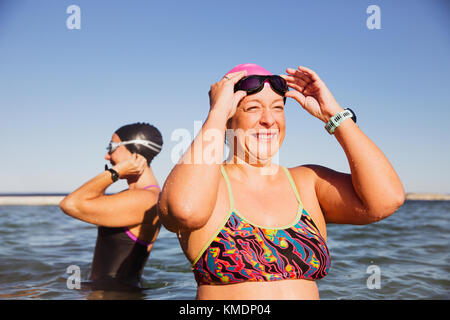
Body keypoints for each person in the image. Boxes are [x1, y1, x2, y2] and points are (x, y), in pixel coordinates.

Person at [158, 63, 405, 299]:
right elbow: (183, 211)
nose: (269, 119)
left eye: (277, 107)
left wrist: (335, 115)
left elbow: (386, 200)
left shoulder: (306, 182)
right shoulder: (209, 184)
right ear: (229, 120)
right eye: (253, 108)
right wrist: (216, 113)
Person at [60, 122, 163, 290]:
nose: (107, 156)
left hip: (114, 295)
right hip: (106, 291)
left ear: (135, 151)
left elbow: (70, 204)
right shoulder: (137, 195)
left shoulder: (145, 199)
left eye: (112, 147)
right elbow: (87, 199)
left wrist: (116, 172)